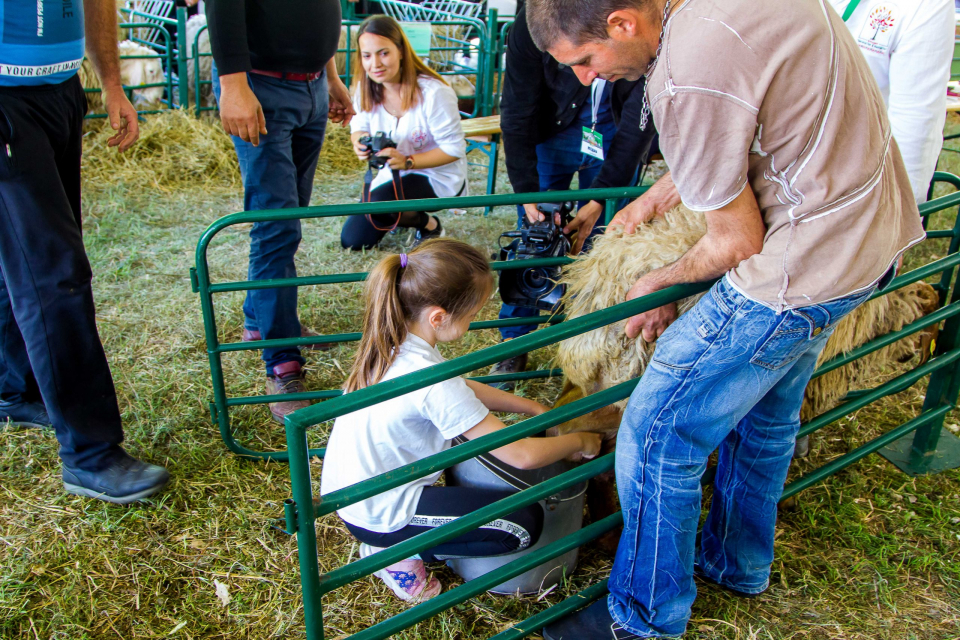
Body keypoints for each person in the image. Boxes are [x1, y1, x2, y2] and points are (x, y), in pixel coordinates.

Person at [522, 0, 925, 637]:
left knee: (657, 433)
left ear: (623, 22)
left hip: (799, 268)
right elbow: (747, 116)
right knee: (765, 417)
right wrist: (660, 191)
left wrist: (658, 280)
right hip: (866, 244)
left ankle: (644, 618)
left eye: (584, 59)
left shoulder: (687, 67)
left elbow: (735, 241)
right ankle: (737, 563)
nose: (583, 79)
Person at [319, 238, 601, 602]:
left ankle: (396, 543)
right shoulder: (429, 379)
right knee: (521, 525)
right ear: (438, 317)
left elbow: (460, 386)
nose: (473, 321)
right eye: (472, 314)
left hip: (356, 494)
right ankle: (395, 556)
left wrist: (531, 407)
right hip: (380, 512)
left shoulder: (393, 344)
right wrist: (581, 442)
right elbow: (522, 456)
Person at [0, 0, 169, 503]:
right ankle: (89, 454)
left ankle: (14, 387)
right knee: (55, 273)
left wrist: (111, 83)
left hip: (58, 88)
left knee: (22, 252)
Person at [488, 5, 656, 386]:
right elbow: (516, 109)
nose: (580, 74)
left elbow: (639, 120)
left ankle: (589, 349)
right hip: (554, 129)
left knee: (604, 239)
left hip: (612, 129)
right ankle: (514, 345)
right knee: (537, 236)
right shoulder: (535, 21)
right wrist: (525, 193)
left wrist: (599, 199)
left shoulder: (638, 24)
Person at [206, 0, 355, 423]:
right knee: (276, 226)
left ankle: (261, 320)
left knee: (288, 218)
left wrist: (330, 76)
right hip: (260, 84)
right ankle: (282, 363)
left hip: (311, 85)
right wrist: (233, 84)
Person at [341, 15, 467, 251]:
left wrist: (408, 161)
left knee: (379, 204)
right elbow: (358, 127)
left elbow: (454, 149)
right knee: (353, 241)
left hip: (436, 174)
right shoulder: (363, 88)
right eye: (367, 56)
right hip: (393, 172)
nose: (375, 64)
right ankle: (403, 214)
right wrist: (359, 142)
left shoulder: (434, 92)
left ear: (400, 51)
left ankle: (429, 224)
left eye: (383, 53)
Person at [828, 0, 954, 204]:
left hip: (850, 188)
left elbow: (915, 127)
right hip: (774, 173)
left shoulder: (926, 5)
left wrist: (899, 212)